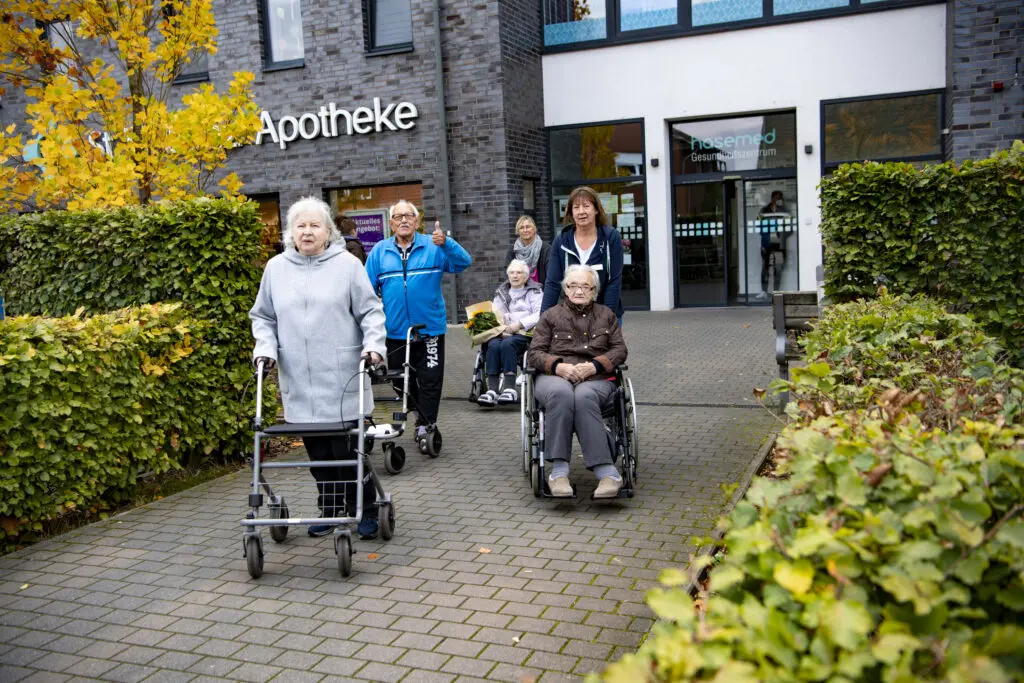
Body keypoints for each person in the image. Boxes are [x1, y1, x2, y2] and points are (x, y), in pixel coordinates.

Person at [250, 196, 387, 539]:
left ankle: (366, 506)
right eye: (301, 225)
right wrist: (264, 350)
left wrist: (374, 347)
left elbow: (371, 312)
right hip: (298, 378)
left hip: (342, 375)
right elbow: (263, 317)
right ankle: (331, 507)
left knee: (346, 453)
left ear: (328, 232)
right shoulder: (276, 269)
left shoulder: (347, 266)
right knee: (318, 453)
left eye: (314, 225)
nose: (307, 231)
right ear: (291, 232)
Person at [364, 200, 472, 453]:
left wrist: (446, 242)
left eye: (408, 216)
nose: (403, 220)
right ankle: (417, 414)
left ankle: (427, 424)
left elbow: (463, 262)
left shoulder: (434, 247)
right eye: (398, 216)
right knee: (401, 381)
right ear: (390, 223)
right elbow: (366, 291)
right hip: (395, 331)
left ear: (416, 220)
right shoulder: (379, 252)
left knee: (431, 379)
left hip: (430, 330)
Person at [527, 264, 628, 499]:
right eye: (573, 285)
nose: (579, 291)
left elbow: (619, 350)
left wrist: (594, 365)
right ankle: (559, 472)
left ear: (594, 290)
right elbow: (534, 353)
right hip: (554, 377)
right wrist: (557, 366)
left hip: (596, 378)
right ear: (565, 288)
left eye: (585, 286)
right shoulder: (550, 316)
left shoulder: (607, 315)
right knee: (562, 394)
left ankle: (607, 473)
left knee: (584, 397)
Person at [541, 186, 624, 324]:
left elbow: (614, 282)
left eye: (586, 206)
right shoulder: (561, 241)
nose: (581, 212)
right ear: (571, 212)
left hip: (605, 311)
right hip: (571, 317)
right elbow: (552, 283)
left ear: (596, 209)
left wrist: (605, 318)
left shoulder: (611, 238)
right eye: (576, 207)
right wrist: (543, 320)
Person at [478, 259, 543, 408]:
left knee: (509, 344)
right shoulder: (501, 292)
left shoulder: (535, 292)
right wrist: (500, 330)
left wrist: (519, 325)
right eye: (512, 272)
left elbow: (539, 314)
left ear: (526, 276)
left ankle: (509, 388)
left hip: (525, 333)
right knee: (493, 344)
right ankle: (492, 390)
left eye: (519, 273)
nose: (515, 276)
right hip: (504, 332)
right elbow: (495, 314)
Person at [757, 190, 787, 299]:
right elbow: (758, 225)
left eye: (780, 198)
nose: (779, 200)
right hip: (766, 244)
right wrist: (767, 236)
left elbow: (789, 227)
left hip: (779, 246)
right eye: (777, 198)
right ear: (772, 198)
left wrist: (780, 235)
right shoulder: (764, 210)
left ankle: (776, 292)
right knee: (765, 268)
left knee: (777, 269)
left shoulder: (783, 211)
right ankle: (764, 291)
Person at [504, 215, 550, 284]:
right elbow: (507, 273)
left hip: (540, 291)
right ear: (518, 231)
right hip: (518, 291)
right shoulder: (513, 250)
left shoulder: (546, 249)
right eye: (521, 228)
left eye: (528, 227)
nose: (525, 230)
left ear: (534, 229)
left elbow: (550, 274)